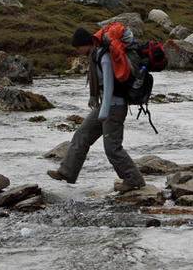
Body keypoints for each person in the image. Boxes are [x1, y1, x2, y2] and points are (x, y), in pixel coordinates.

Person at [47, 25, 146, 192]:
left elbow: (109, 86)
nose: (77, 51)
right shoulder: (95, 56)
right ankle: (67, 172)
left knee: (112, 147)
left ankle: (133, 178)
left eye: (78, 47)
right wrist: (96, 102)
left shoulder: (104, 56)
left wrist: (104, 112)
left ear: (86, 43)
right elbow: (101, 87)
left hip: (114, 107)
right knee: (82, 135)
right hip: (105, 105)